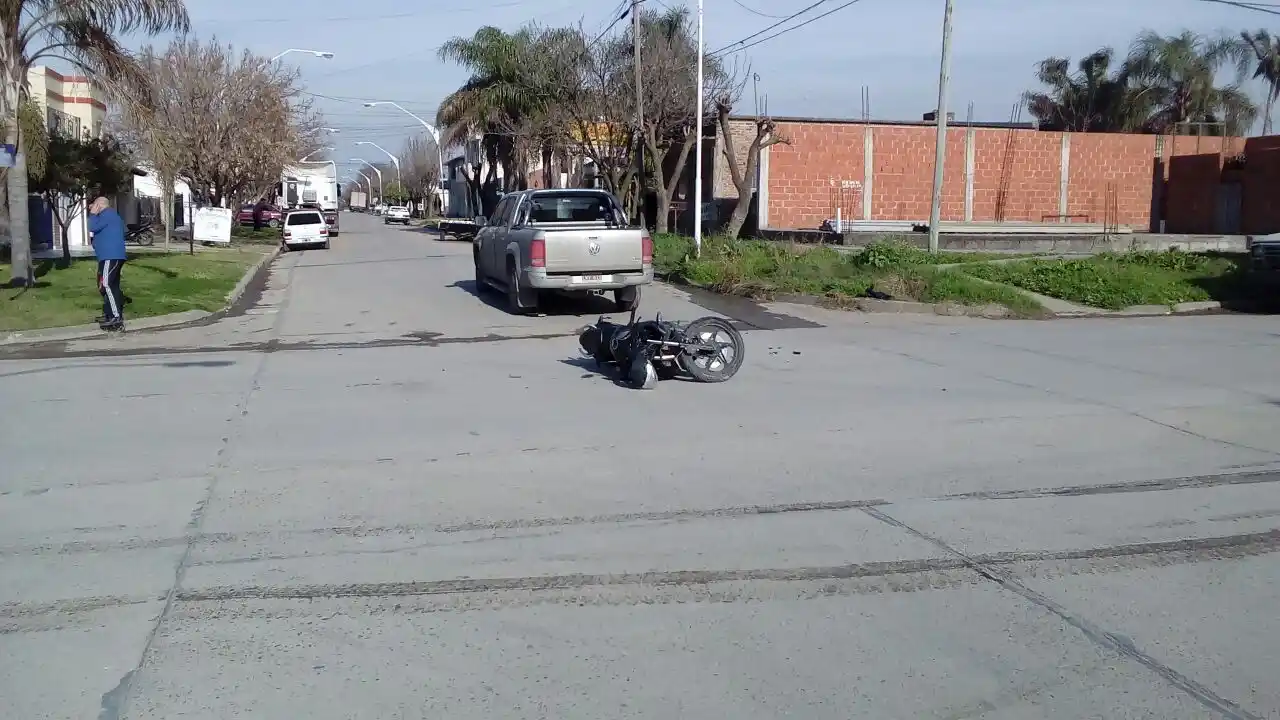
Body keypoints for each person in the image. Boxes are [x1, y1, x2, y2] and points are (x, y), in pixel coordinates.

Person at [88, 197, 127, 331]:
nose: (91, 207)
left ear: (99, 205)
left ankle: (116, 318)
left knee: (107, 284)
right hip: (110, 256)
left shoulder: (107, 215)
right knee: (111, 286)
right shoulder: (112, 216)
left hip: (110, 256)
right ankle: (109, 314)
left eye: (93, 204)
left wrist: (93, 214)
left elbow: (92, 227)